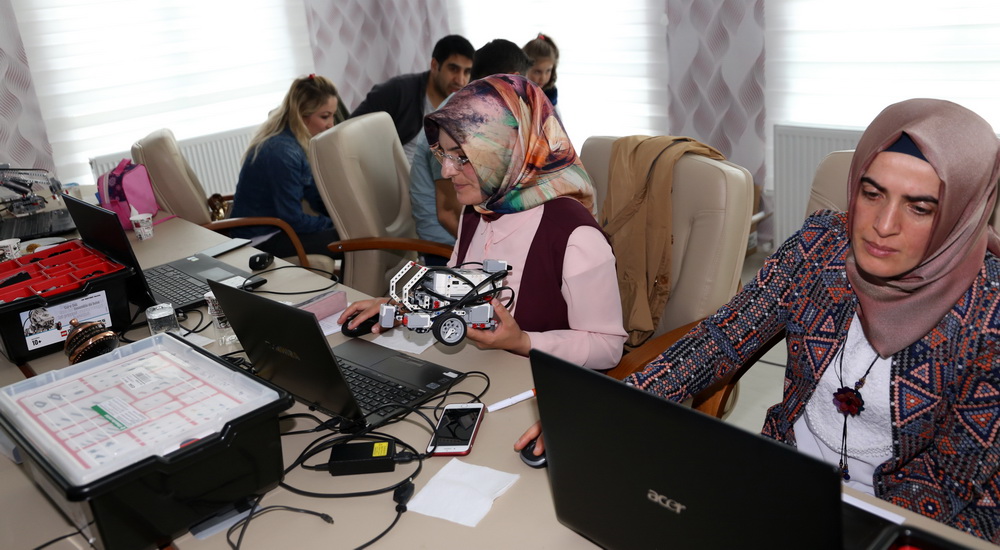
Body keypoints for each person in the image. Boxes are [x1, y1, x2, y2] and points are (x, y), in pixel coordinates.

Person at [517, 98, 1000, 543]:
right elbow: (722, 337)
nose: (883, 225)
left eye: (919, 207)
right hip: (783, 479)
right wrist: (606, 413)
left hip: (900, 519)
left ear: (963, 213)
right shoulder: (820, 247)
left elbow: (961, 486)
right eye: (872, 193)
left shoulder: (989, 313)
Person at [340, 75, 627, 370]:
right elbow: (457, 283)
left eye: (463, 157)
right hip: (478, 366)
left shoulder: (574, 235)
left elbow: (607, 346)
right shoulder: (479, 208)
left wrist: (523, 342)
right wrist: (402, 306)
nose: (447, 171)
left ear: (508, 151)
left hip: (537, 381)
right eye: (444, 154)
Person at [409, 39, 532, 255]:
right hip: (446, 247)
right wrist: (501, 254)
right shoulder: (455, 122)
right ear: (512, 78)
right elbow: (448, 213)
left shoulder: (486, 113)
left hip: (477, 233)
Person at [229, 74, 341, 262]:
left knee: (353, 235)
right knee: (350, 240)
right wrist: (333, 223)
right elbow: (293, 219)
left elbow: (314, 196)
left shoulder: (295, 142)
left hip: (276, 230)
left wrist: (343, 216)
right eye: (325, 116)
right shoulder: (282, 153)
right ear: (301, 116)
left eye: (333, 115)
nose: (331, 124)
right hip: (259, 240)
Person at [350, 35, 475, 162]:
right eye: (453, 69)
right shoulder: (398, 91)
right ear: (434, 65)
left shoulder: (466, 107)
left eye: (467, 72)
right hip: (390, 172)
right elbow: (347, 135)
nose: (460, 80)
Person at [522, 34, 559, 106]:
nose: (543, 78)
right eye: (537, 72)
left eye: (548, 70)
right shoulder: (514, 92)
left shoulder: (551, 93)